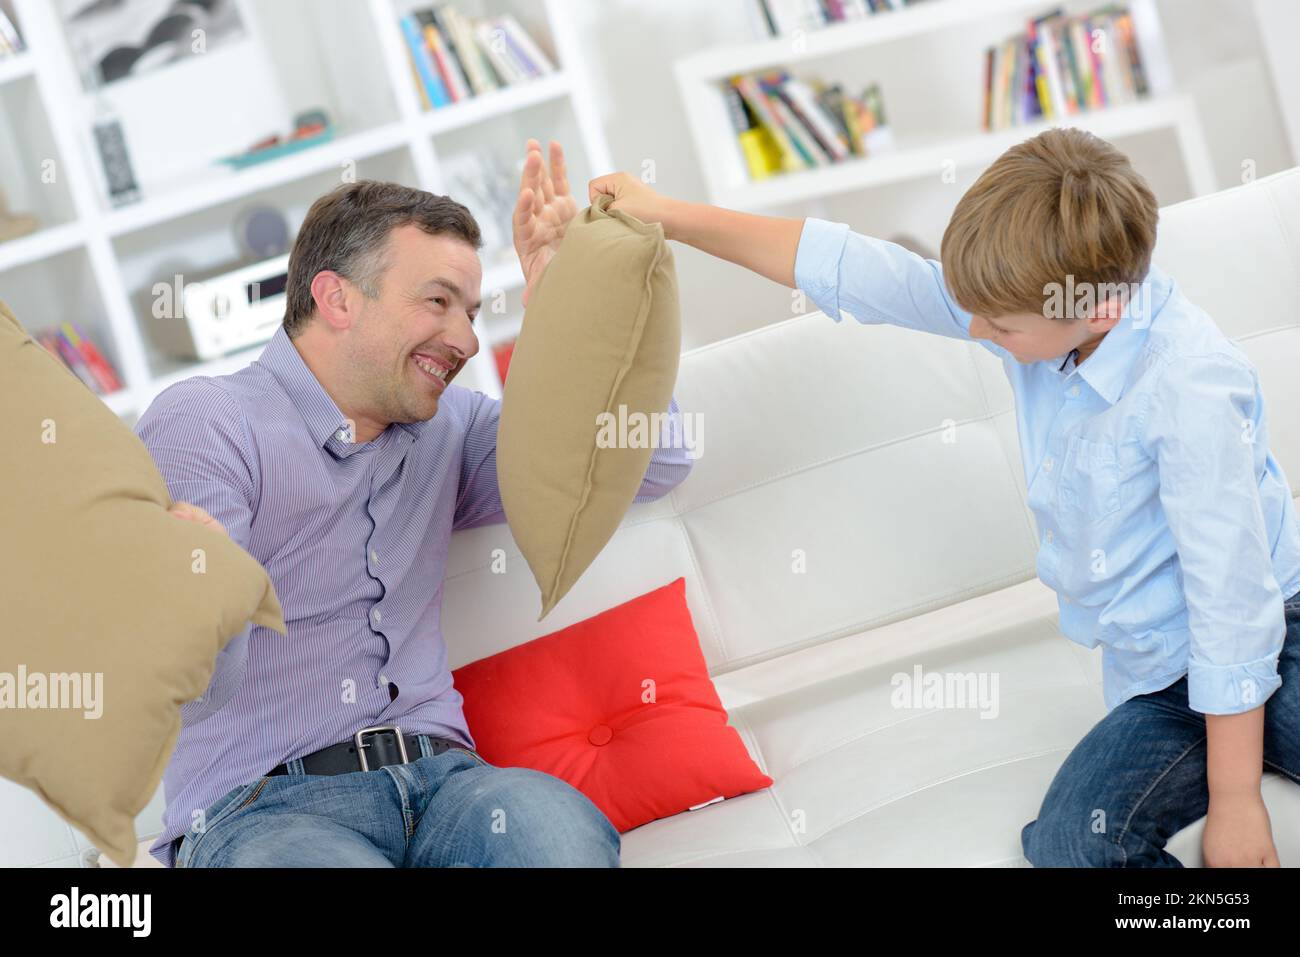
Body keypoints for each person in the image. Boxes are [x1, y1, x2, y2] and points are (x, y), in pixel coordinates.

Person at [586, 128, 1300, 867]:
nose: (979, 332)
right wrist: (665, 213)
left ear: (1098, 314)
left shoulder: (1188, 387)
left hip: (1273, 628)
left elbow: (1232, 602)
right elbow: (858, 270)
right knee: (1068, 846)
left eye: (1001, 325)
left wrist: (1238, 798)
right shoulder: (1045, 312)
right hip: (1165, 680)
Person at [145, 140, 693, 867]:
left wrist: (573, 300)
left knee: (556, 836)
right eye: (438, 302)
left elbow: (655, 459)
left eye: (469, 310)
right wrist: (196, 596)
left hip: (452, 789)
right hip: (263, 809)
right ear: (336, 297)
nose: (467, 338)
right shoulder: (208, 419)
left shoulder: (451, 428)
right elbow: (195, 687)